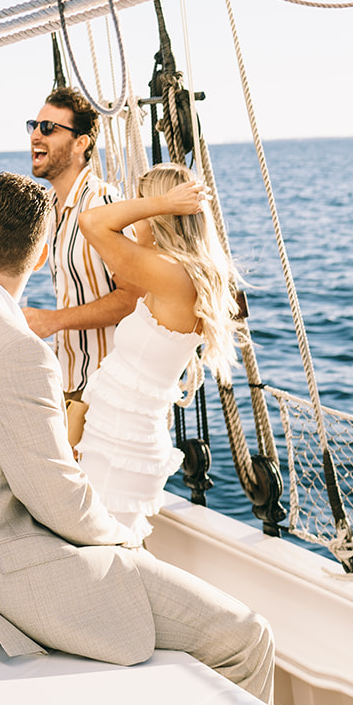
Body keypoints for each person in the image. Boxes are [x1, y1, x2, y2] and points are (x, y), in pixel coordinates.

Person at [0, 171, 274, 702]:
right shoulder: (17, 350)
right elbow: (57, 501)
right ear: (40, 258)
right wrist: (126, 542)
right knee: (245, 637)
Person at [76, 164, 239, 544]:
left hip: (123, 446)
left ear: (164, 215)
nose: (139, 213)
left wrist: (162, 201)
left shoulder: (173, 275)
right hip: (115, 438)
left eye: (146, 203)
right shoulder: (174, 272)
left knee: (106, 555)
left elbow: (92, 222)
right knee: (108, 552)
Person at [21, 86, 138, 444]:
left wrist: (51, 321)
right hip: (72, 387)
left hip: (108, 394)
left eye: (49, 128)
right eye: (35, 125)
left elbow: (133, 298)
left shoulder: (102, 204)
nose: (36, 135)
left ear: (80, 144)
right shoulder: (52, 210)